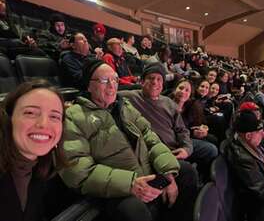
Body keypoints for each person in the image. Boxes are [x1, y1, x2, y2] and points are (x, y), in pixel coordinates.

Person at [60, 59, 198, 221]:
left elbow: (150, 137)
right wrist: (130, 184)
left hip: (146, 172)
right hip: (116, 188)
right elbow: (78, 171)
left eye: (115, 80)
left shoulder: (124, 105)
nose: (112, 86)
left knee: (187, 172)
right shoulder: (73, 116)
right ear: (88, 85)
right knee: (133, 211)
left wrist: (167, 172)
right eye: (104, 80)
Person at [119, 63, 217, 180]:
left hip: (177, 143)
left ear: (162, 85)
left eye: (159, 79)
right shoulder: (129, 97)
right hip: (160, 150)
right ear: (142, 81)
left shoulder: (169, 103)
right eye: (150, 78)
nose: (155, 82)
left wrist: (186, 148)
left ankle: (202, 182)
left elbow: (182, 130)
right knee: (187, 171)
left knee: (211, 150)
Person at [0, 79, 66, 221]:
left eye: (54, 116)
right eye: (30, 113)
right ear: (8, 119)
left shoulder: (44, 168)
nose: (43, 124)